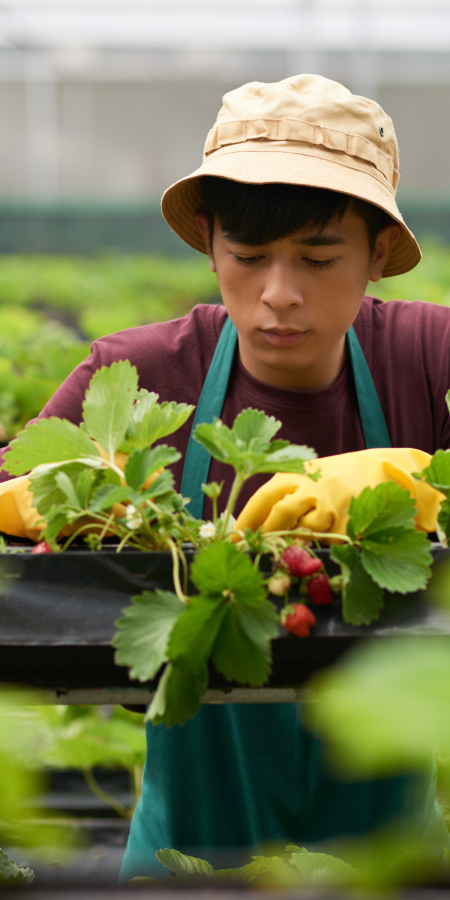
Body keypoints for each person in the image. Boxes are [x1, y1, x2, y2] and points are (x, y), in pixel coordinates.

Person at [1, 73, 450, 876]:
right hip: (183, 868)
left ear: (380, 249)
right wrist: (59, 500)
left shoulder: (427, 356)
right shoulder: (139, 375)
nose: (279, 294)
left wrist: (416, 474)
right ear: (208, 241)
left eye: (318, 257)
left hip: (390, 870)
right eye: (248, 256)